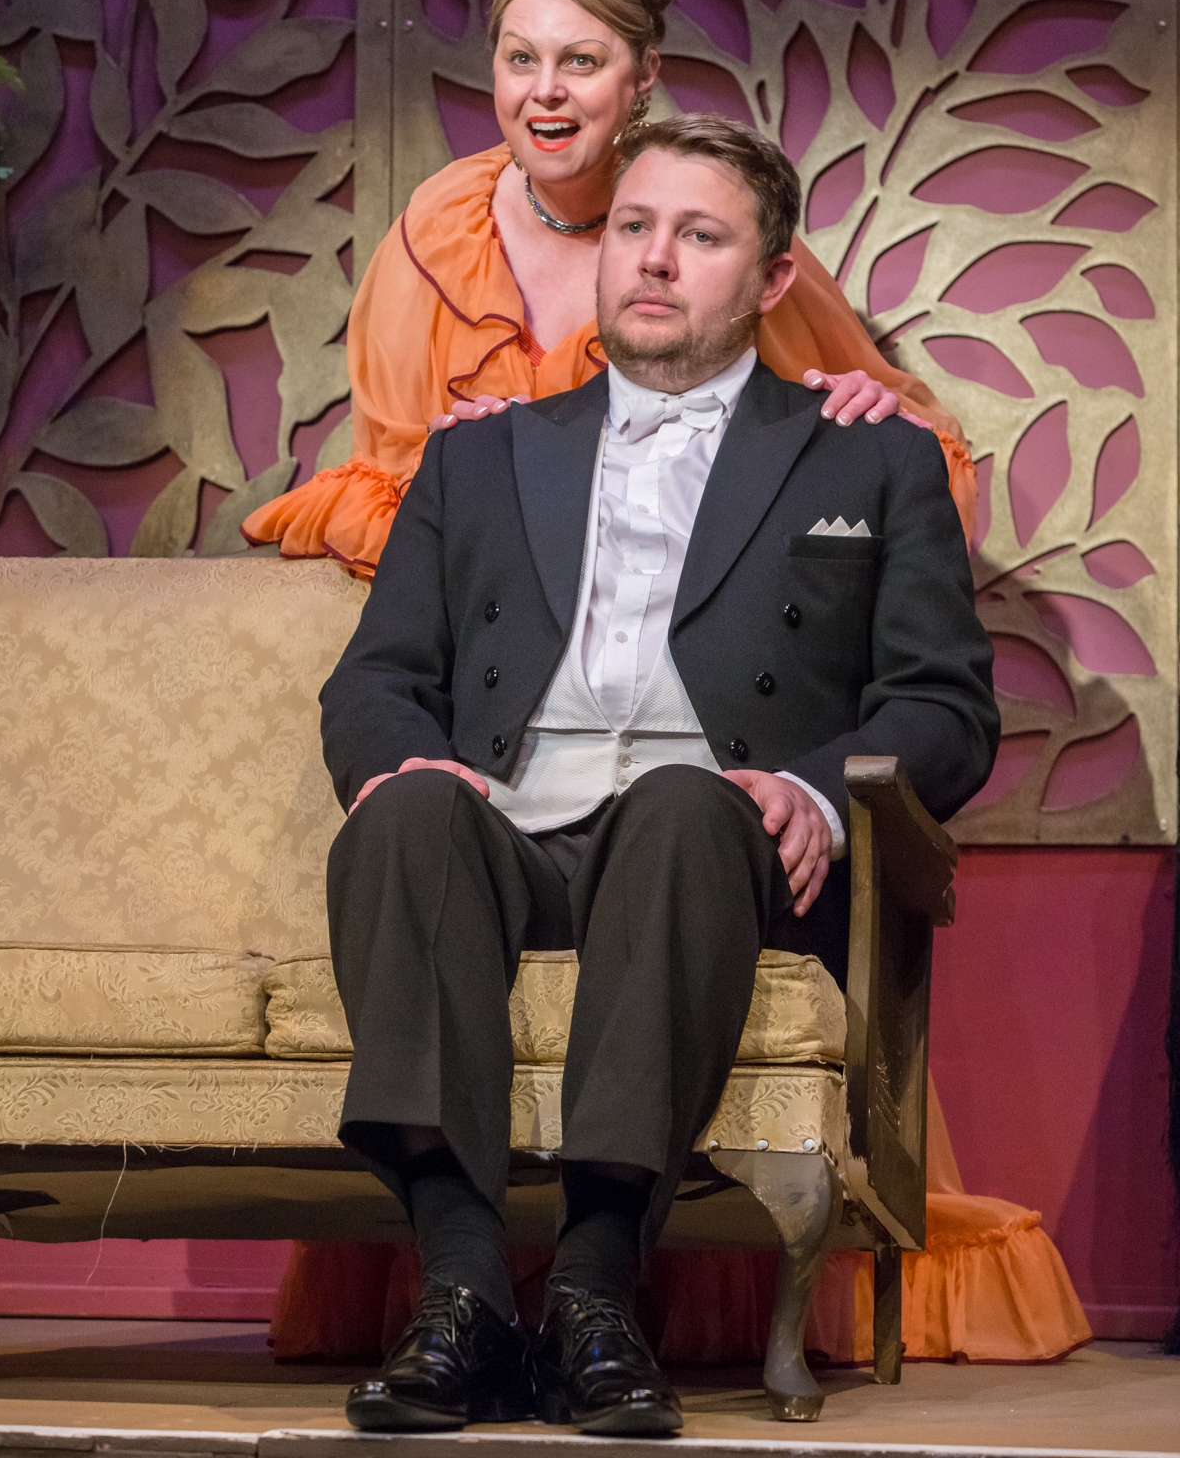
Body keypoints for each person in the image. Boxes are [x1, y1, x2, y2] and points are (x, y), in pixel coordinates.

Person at [320, 114, 999, 1434]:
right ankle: (461, 1294)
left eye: (700, 235)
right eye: (633, 227)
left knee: (686, 804)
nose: (654, 258)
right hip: (508, 837)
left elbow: (945, 707)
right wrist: (400, 762)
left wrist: (811, 792)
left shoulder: (868, 453)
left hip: (711, 854)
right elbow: (376, 678)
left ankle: (594, 1293)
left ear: (775, 276)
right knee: (405, 812)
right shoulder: (482, 452)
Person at [242, 0, 975, 576]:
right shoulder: (436, 233)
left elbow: (873, 453)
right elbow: (390, 488)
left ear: (644, 74)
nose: (545, 90)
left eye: (581, 61)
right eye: (521, 58)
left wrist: (858, 406)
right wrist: (465, 466)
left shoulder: (712, 219)